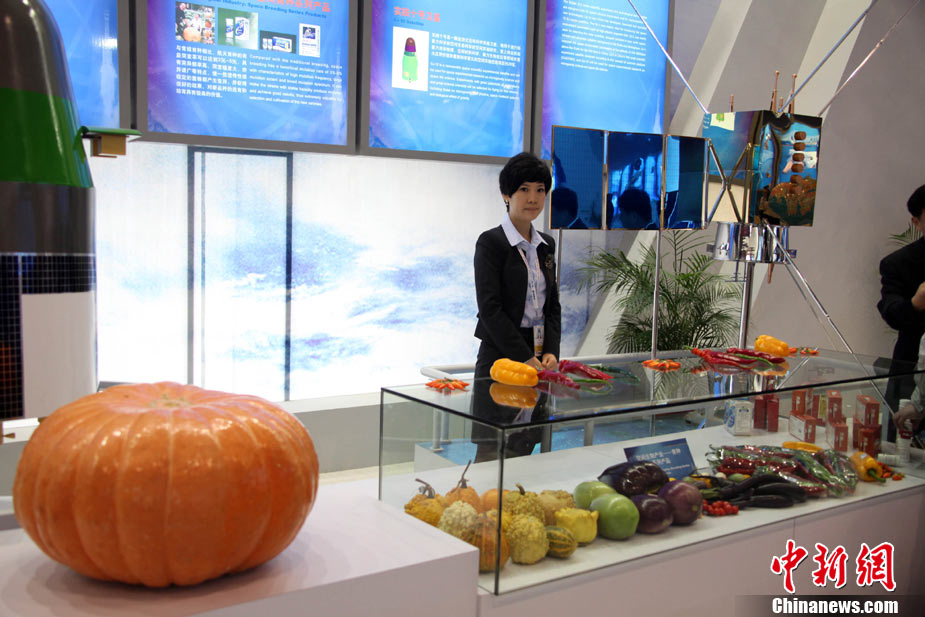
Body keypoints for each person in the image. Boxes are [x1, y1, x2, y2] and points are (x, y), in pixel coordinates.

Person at [472, 152, 559, 461]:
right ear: (506, 195)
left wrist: (550, 351)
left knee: (524, 445)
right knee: (491, 448)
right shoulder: (491, 243)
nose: (533, 198)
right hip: (501, 354)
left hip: (537, 355)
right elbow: (490, 309)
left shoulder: (546, 245)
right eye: (524, 189)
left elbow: (552, 306)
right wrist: (523, 357)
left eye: (540, 190)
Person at [877, 184, 925, 434]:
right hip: (912, 370)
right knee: (898, 441)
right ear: (917, 222)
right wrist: (915, 303)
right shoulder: (899, 264)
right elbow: (891, 311)